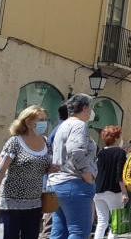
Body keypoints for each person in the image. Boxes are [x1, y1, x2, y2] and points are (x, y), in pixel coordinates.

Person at [0, 105, 52, 239]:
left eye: (45, 119)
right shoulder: (15, 142)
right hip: (11, 203)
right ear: (27, 121)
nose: (44, 123)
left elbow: (43, 168)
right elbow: (0, 171)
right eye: (40, 119)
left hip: (35, 203)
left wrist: (50, 169)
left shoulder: (46, 142)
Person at [47, 94, 98, 239]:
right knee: (79, 232)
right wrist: (87, 175)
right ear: (85, 108)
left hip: (57, 183)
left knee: (59, 232)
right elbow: (76, 151)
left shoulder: (63, 125)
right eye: (90, 108)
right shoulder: (79, 125)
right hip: (74, 183)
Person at [93, 126, 130, 239]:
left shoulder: (100, 152)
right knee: (116, 222)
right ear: (117, 138)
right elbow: (120, 175)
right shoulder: (120, 152)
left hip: (98, 191)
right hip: (114, 191)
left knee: (102, 221)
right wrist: (124, 192)